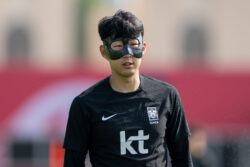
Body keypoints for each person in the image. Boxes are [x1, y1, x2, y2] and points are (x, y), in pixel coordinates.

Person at [63, 9, 193, 167]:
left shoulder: (167, 96)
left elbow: (183, 159)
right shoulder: (84, 104)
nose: (127, 54)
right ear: (104, 52)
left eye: (133, 44)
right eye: (118, 46)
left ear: (143, 48)